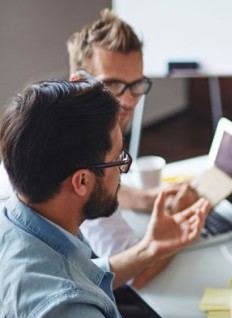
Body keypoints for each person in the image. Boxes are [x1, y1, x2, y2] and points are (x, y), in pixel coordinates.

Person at [0, 78, 232, 318]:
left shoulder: (13, 217)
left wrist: (151, 248)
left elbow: (74, 273)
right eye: (119, 159)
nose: (123, 172)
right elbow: (66, 292)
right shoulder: (65, 315)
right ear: (81, 181)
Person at [67, 9, 199, 287]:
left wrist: (145, 199)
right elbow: (131, 275)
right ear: (79, 83)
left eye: (136, 84)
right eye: (112, 84)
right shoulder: (84, 152)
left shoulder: (58, 119)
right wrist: (178, 225)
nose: (127, 101)